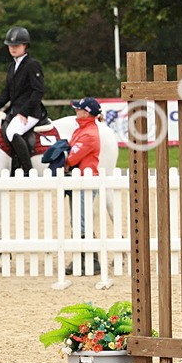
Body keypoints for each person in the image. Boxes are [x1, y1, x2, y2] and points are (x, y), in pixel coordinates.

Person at [0, 26, 47, 175]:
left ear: (25, 46)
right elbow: (7, 91)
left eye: (16, 46)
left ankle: (28, 171)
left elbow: (38, 91)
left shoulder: (32, 64)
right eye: (10, 46)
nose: (13, 49)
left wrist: (25, 112)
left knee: (12, 131)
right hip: (16, 111)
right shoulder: (12, 66)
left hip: (31, 112)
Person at [63, 97, 103, 275]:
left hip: (85, 181)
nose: (75, 111)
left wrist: (62, 159)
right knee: (78, 220)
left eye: (78, 109)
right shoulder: (83, 129)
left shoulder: (88, 134)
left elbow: (71, 158)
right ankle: (82, 259)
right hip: (79, 179)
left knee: (81, 221)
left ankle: (91, 260)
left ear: (86, 112)